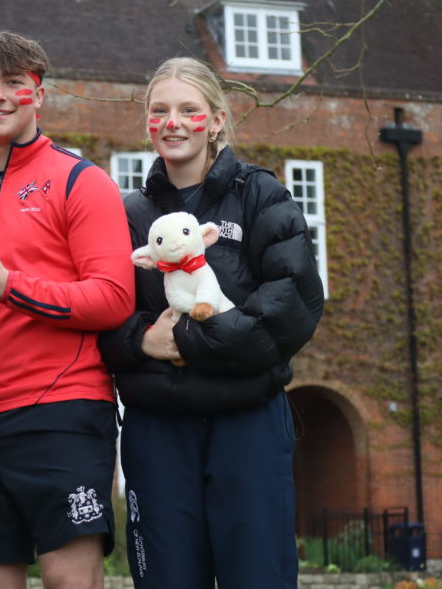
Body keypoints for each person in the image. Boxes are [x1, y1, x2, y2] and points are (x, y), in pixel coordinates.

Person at [98, 57, 325, 588]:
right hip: (158, 428)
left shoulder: (261, 195)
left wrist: (185, 340)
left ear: (217, 120)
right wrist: (139, 340)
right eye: (159, 111)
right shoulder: (126, 214)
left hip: (247, 423)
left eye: (188, 110)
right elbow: (100, 311)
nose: (172, 122)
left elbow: (292, 304)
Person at [0, 31, 136, 589]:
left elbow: (114, 299)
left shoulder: (82, 180)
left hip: (62, 411)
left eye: (13, 82)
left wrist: (6, 286)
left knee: (70, 580)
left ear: (38, 94)